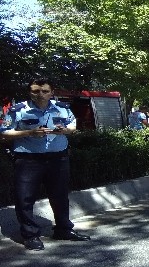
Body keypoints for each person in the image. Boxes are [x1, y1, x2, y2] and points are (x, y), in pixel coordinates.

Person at [0, 78, 91, 250]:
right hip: (28, 160)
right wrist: (29, 132)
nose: (40, 94)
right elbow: (4, 133)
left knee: (60, 196)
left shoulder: (61, 108)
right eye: (36, 91)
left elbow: (72, 126)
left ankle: (63, 230)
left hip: (58, 158)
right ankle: (30, 235)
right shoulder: (18, 110)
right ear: (30, 92)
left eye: (44, 91)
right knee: (25, 198)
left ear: (51, 92)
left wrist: (65, 130)